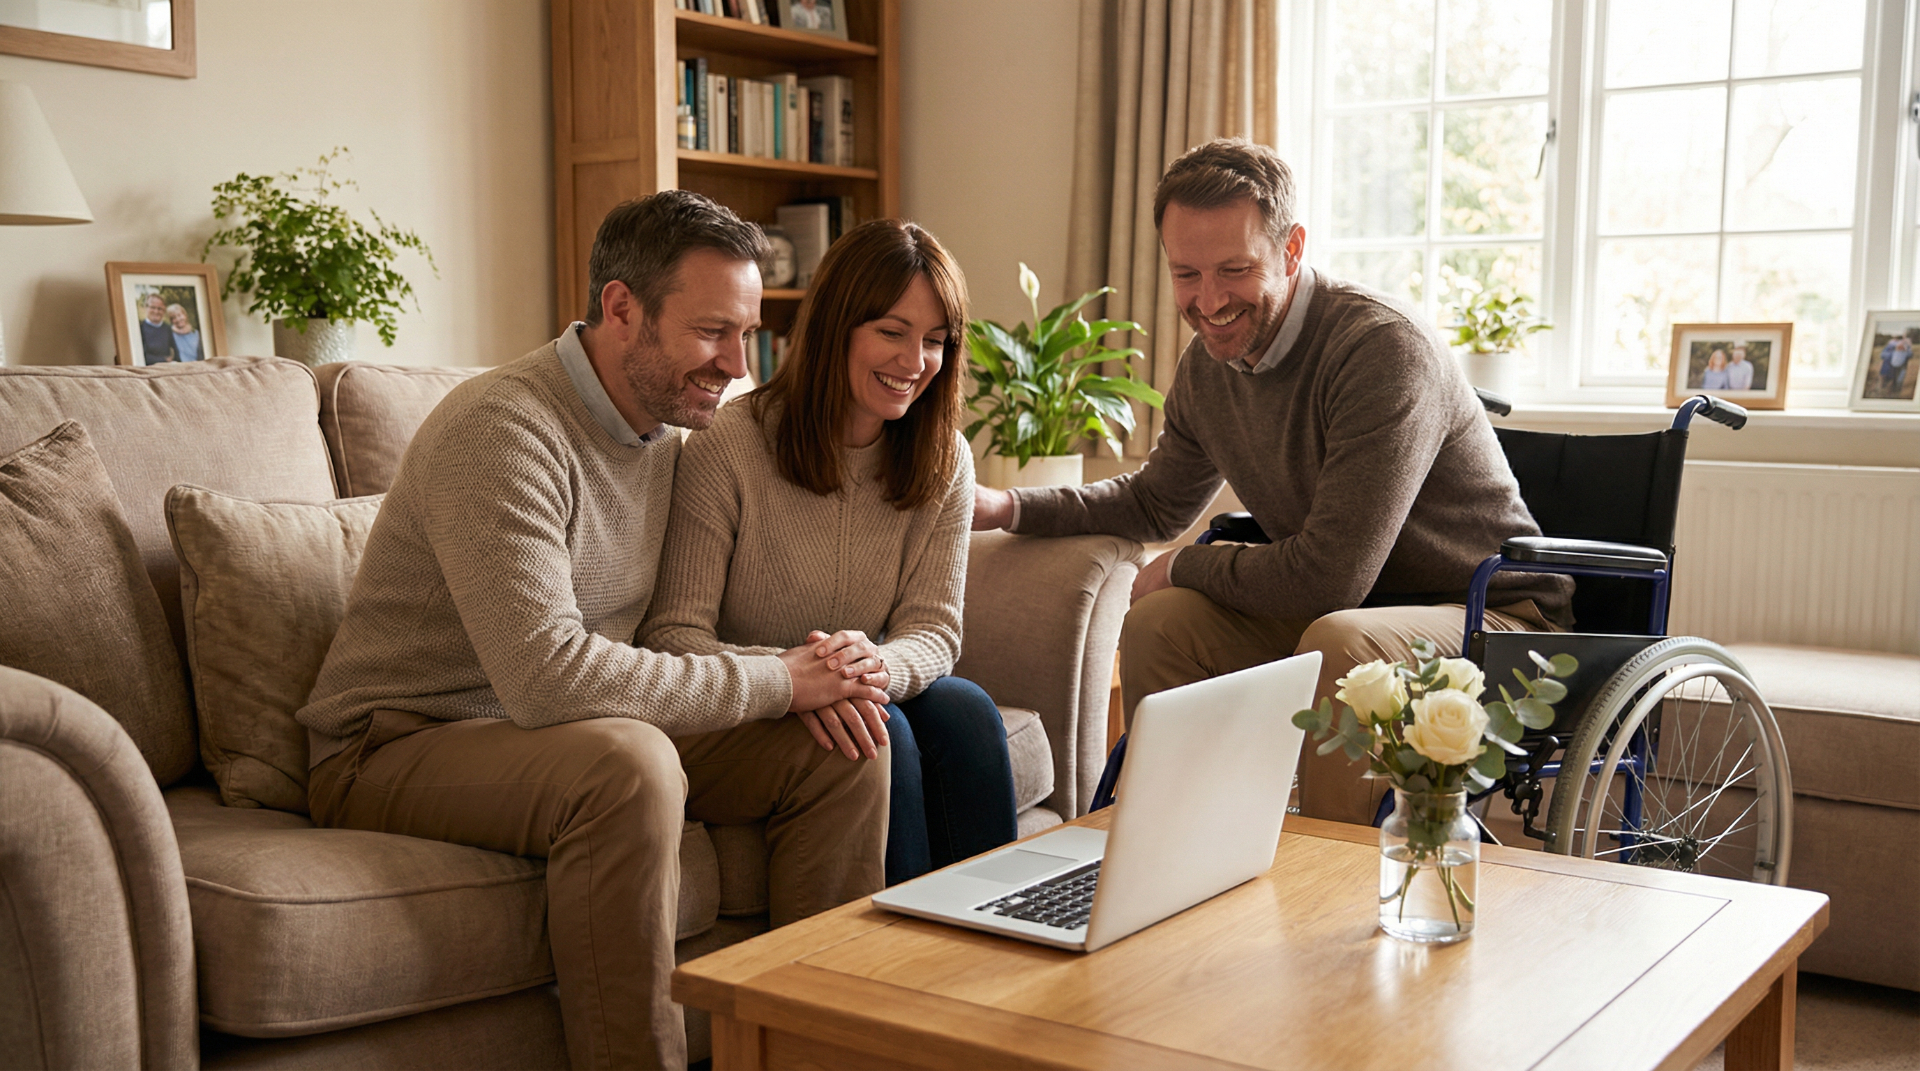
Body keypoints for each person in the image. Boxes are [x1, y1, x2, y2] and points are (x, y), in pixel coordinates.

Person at [296, 190, 891, 1071]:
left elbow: (656, 639)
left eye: (747, 332)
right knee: (629, 762)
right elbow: (549, 676)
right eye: (711, 332)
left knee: (840, 745)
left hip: (550, 730)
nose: (737, 362)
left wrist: (810, 669)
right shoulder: (503, 428)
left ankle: (813, 1054)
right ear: (621, 309)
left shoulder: (661, 434)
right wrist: (776, 679)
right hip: (397, 741)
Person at [971, 138, 1571, 826]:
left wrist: (1188, 564)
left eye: (1234, 268)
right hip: (1347, 611)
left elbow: (1329, 577)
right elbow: (1153, 501)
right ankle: (1175, 851)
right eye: (1186, 274)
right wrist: (1007, 505)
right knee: (1162, 623)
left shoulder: (1379, 349)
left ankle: (1322, 895)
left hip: (1487, 615)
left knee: (1344, 646)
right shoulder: (1209, 367)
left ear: (1291, 250)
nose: (1209, 300)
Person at [644, 219, 1017, 886]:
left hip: (853, 683)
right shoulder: (729, 446)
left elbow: (934, 630)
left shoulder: (944, 458)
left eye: (935, 341)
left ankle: (1002, 946)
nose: (915, 362)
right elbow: (674, 634)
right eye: (892, 331)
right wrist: (798, 676)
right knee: (884, 736)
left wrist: (867, 666)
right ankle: (887, 966)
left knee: (964, 711)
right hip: (742, 704)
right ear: (836, 325)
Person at [137, 293, 176, 363]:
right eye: (152, 307)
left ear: (164, 310)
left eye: (160, 308)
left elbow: (176, 351)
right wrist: (164, 360)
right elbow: (139, 355)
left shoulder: (168, 328)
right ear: (146, 307)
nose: (156, 311)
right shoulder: (139, 328)